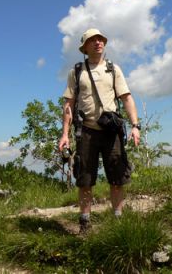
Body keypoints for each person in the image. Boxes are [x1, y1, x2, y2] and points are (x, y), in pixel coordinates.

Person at [58, 28, 140, 233]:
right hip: (86, 131)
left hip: (112, 131)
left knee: (117, 176)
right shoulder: (76, 72)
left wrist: (135, 126)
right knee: (85, 178)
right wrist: (65, 134)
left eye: (100, 39)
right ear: (84, 47)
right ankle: (85, 223)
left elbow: (127, 98)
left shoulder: (113, 69)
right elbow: (68, 105)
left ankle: (118, 221)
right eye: (92, 40)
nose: (98, 42)